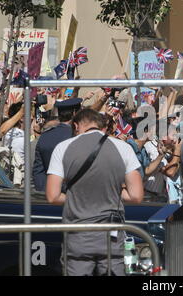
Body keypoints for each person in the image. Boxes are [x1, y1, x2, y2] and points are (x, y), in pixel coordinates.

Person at [46, 108, 143, 276]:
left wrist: (77, 195)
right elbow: (136, 196)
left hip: (78, 233)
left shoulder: (63, 148)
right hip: (112, 234)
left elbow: (53, 196)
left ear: (76, 126)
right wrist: (110, 191)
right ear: (102, 127)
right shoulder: (123, 148)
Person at [33, 98, 82, 192]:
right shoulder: (76, 137)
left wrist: (43, 193)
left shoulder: (45, 136)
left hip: (46, 194)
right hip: (70, 195)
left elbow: (38, 171)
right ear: (75, 113)